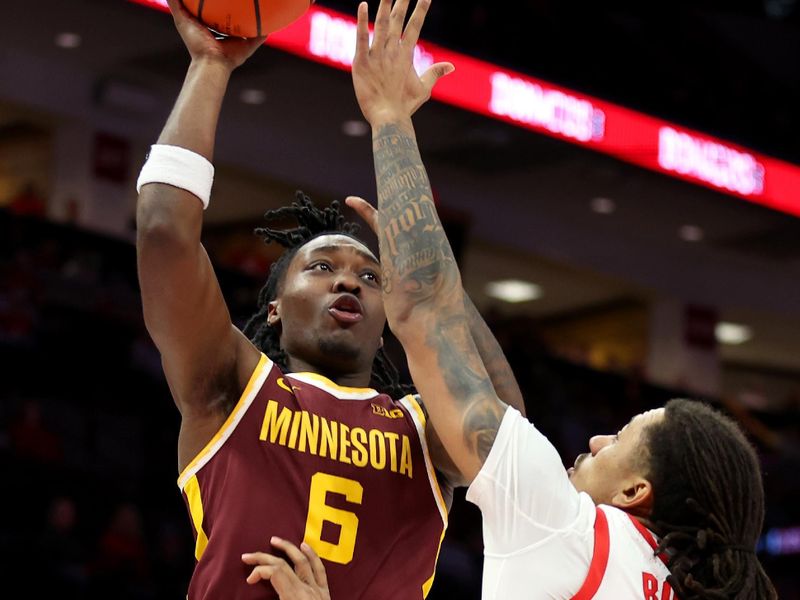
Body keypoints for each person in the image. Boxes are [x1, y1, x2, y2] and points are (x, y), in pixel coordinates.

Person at [258, 0, 779, 597]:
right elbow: (507, 416)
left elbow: (423, 311)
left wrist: (389, 117)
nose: (596, 441)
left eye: (621, 438)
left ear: (636, 492)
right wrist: (437, 272)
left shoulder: (569, 529)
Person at [135, 1, 524, 598]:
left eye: (372, 276)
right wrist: (210, 65)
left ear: (389, 317)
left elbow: (509, 436)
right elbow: (164, 231)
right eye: (321, 268)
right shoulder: (233, 390)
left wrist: (425, 265)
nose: (349, 282)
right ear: (274, 307)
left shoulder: (422, 433)